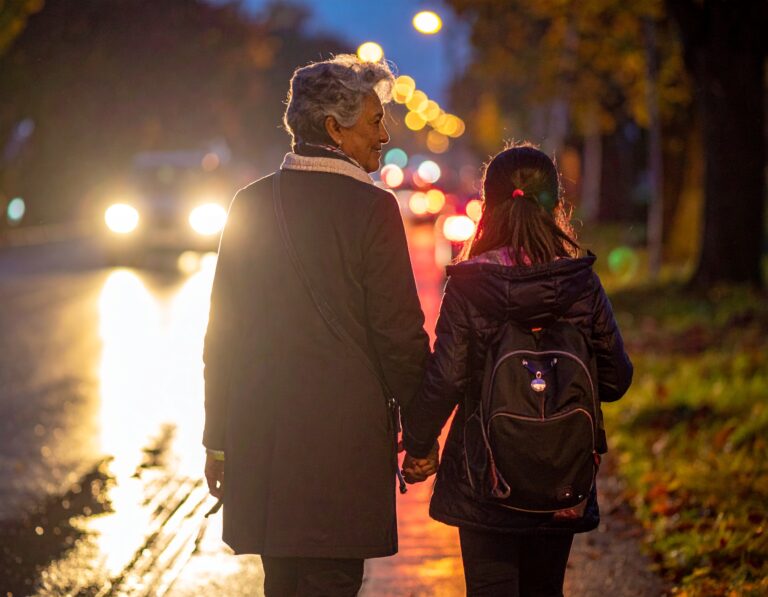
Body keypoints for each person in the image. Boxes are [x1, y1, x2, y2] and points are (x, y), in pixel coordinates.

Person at [202, 55, 431, 596]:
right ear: (335, 127)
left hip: (265, 440)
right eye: (375, 121)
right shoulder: (373, 210)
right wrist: (421, 436)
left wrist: (218, 443)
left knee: (281, 582)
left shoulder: (249, 204)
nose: (384, 133)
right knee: (333, 580)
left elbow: (222, 338)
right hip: (343, 447)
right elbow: (400, 337)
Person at [401, 144, 633, 596]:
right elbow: (616, 378)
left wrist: (418, 444)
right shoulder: (579, 281)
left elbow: (446, 377)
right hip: (560, 472)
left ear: (490, 206)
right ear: (556, 204)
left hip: (485, 476)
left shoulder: (470, 284)